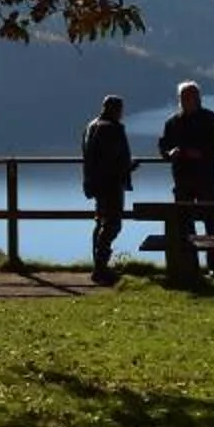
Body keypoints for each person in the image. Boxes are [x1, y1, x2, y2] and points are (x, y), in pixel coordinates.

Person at [158, 80, 214, 276]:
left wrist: (201, 153)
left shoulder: (211, 119)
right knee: (185, 226)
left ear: (198, 98)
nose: (185, 101)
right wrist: (169, 153)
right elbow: (163, 146)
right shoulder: (172, 122)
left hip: (206, 179)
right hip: (182, 181)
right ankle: (189, 267)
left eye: (189, 97)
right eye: (182, 98)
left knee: (211, 224)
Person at [80, 94, 133, 285]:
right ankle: (101, 268)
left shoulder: (91, 126)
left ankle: (99, 266)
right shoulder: (112, 129)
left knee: (100, 222)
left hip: (95, 182)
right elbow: (113, 158)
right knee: (112, 224)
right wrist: (127, 168)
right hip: (111, 183)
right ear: (116, 109)